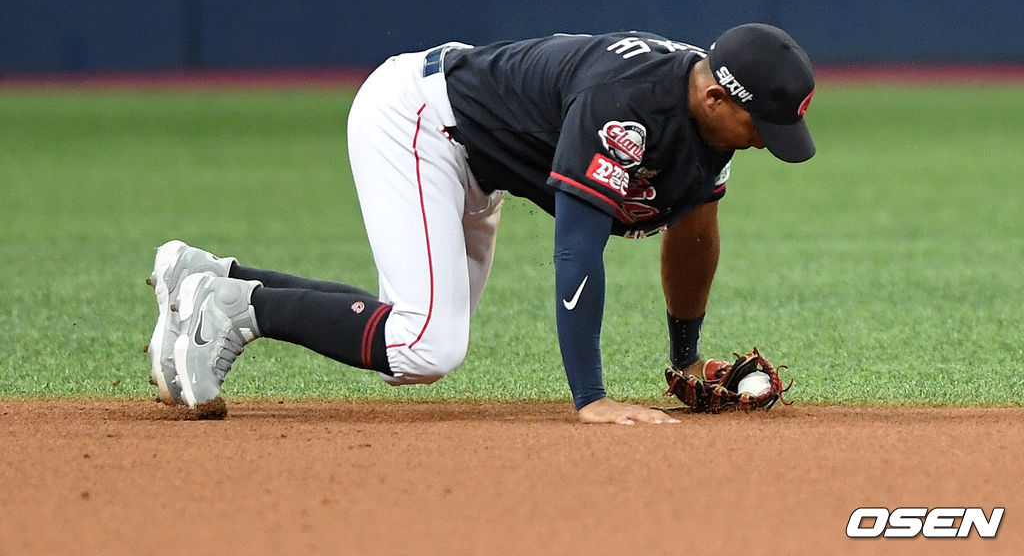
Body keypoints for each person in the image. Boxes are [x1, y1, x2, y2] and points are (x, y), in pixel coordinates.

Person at [146, 23, 816, 425]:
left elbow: (695, 234)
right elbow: (577, 248)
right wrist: (592, 397)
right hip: (419, 121)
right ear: (716, 96)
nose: (766, 140)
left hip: (472, 153)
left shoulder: (709, 125)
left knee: (407, 344)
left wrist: (685, 358)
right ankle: (239, 309)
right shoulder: (627, 102)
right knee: (425, 344)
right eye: (763, 124)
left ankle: (212, 280)